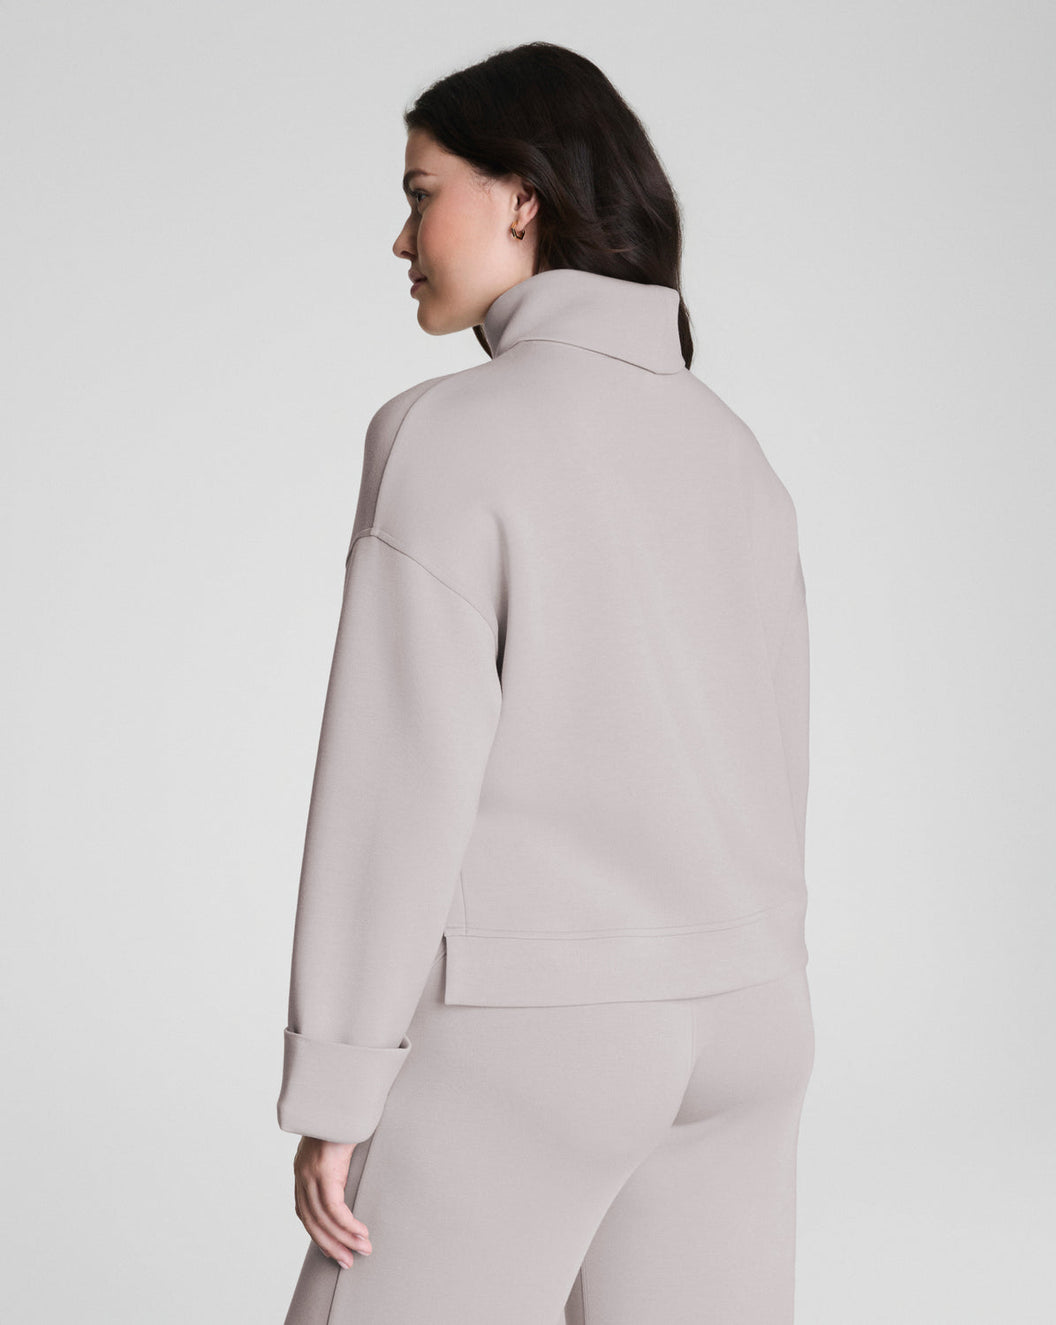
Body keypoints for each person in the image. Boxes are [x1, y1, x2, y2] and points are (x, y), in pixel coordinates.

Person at [276, 40, 816, 1325]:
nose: (401, 239)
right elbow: (777, 761)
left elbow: (394, 781)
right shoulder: (733, 446)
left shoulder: (446, 434)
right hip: (751, 1018)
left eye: (421, 195)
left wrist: (337, 1084)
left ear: (522, 196)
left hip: (536, 1027)